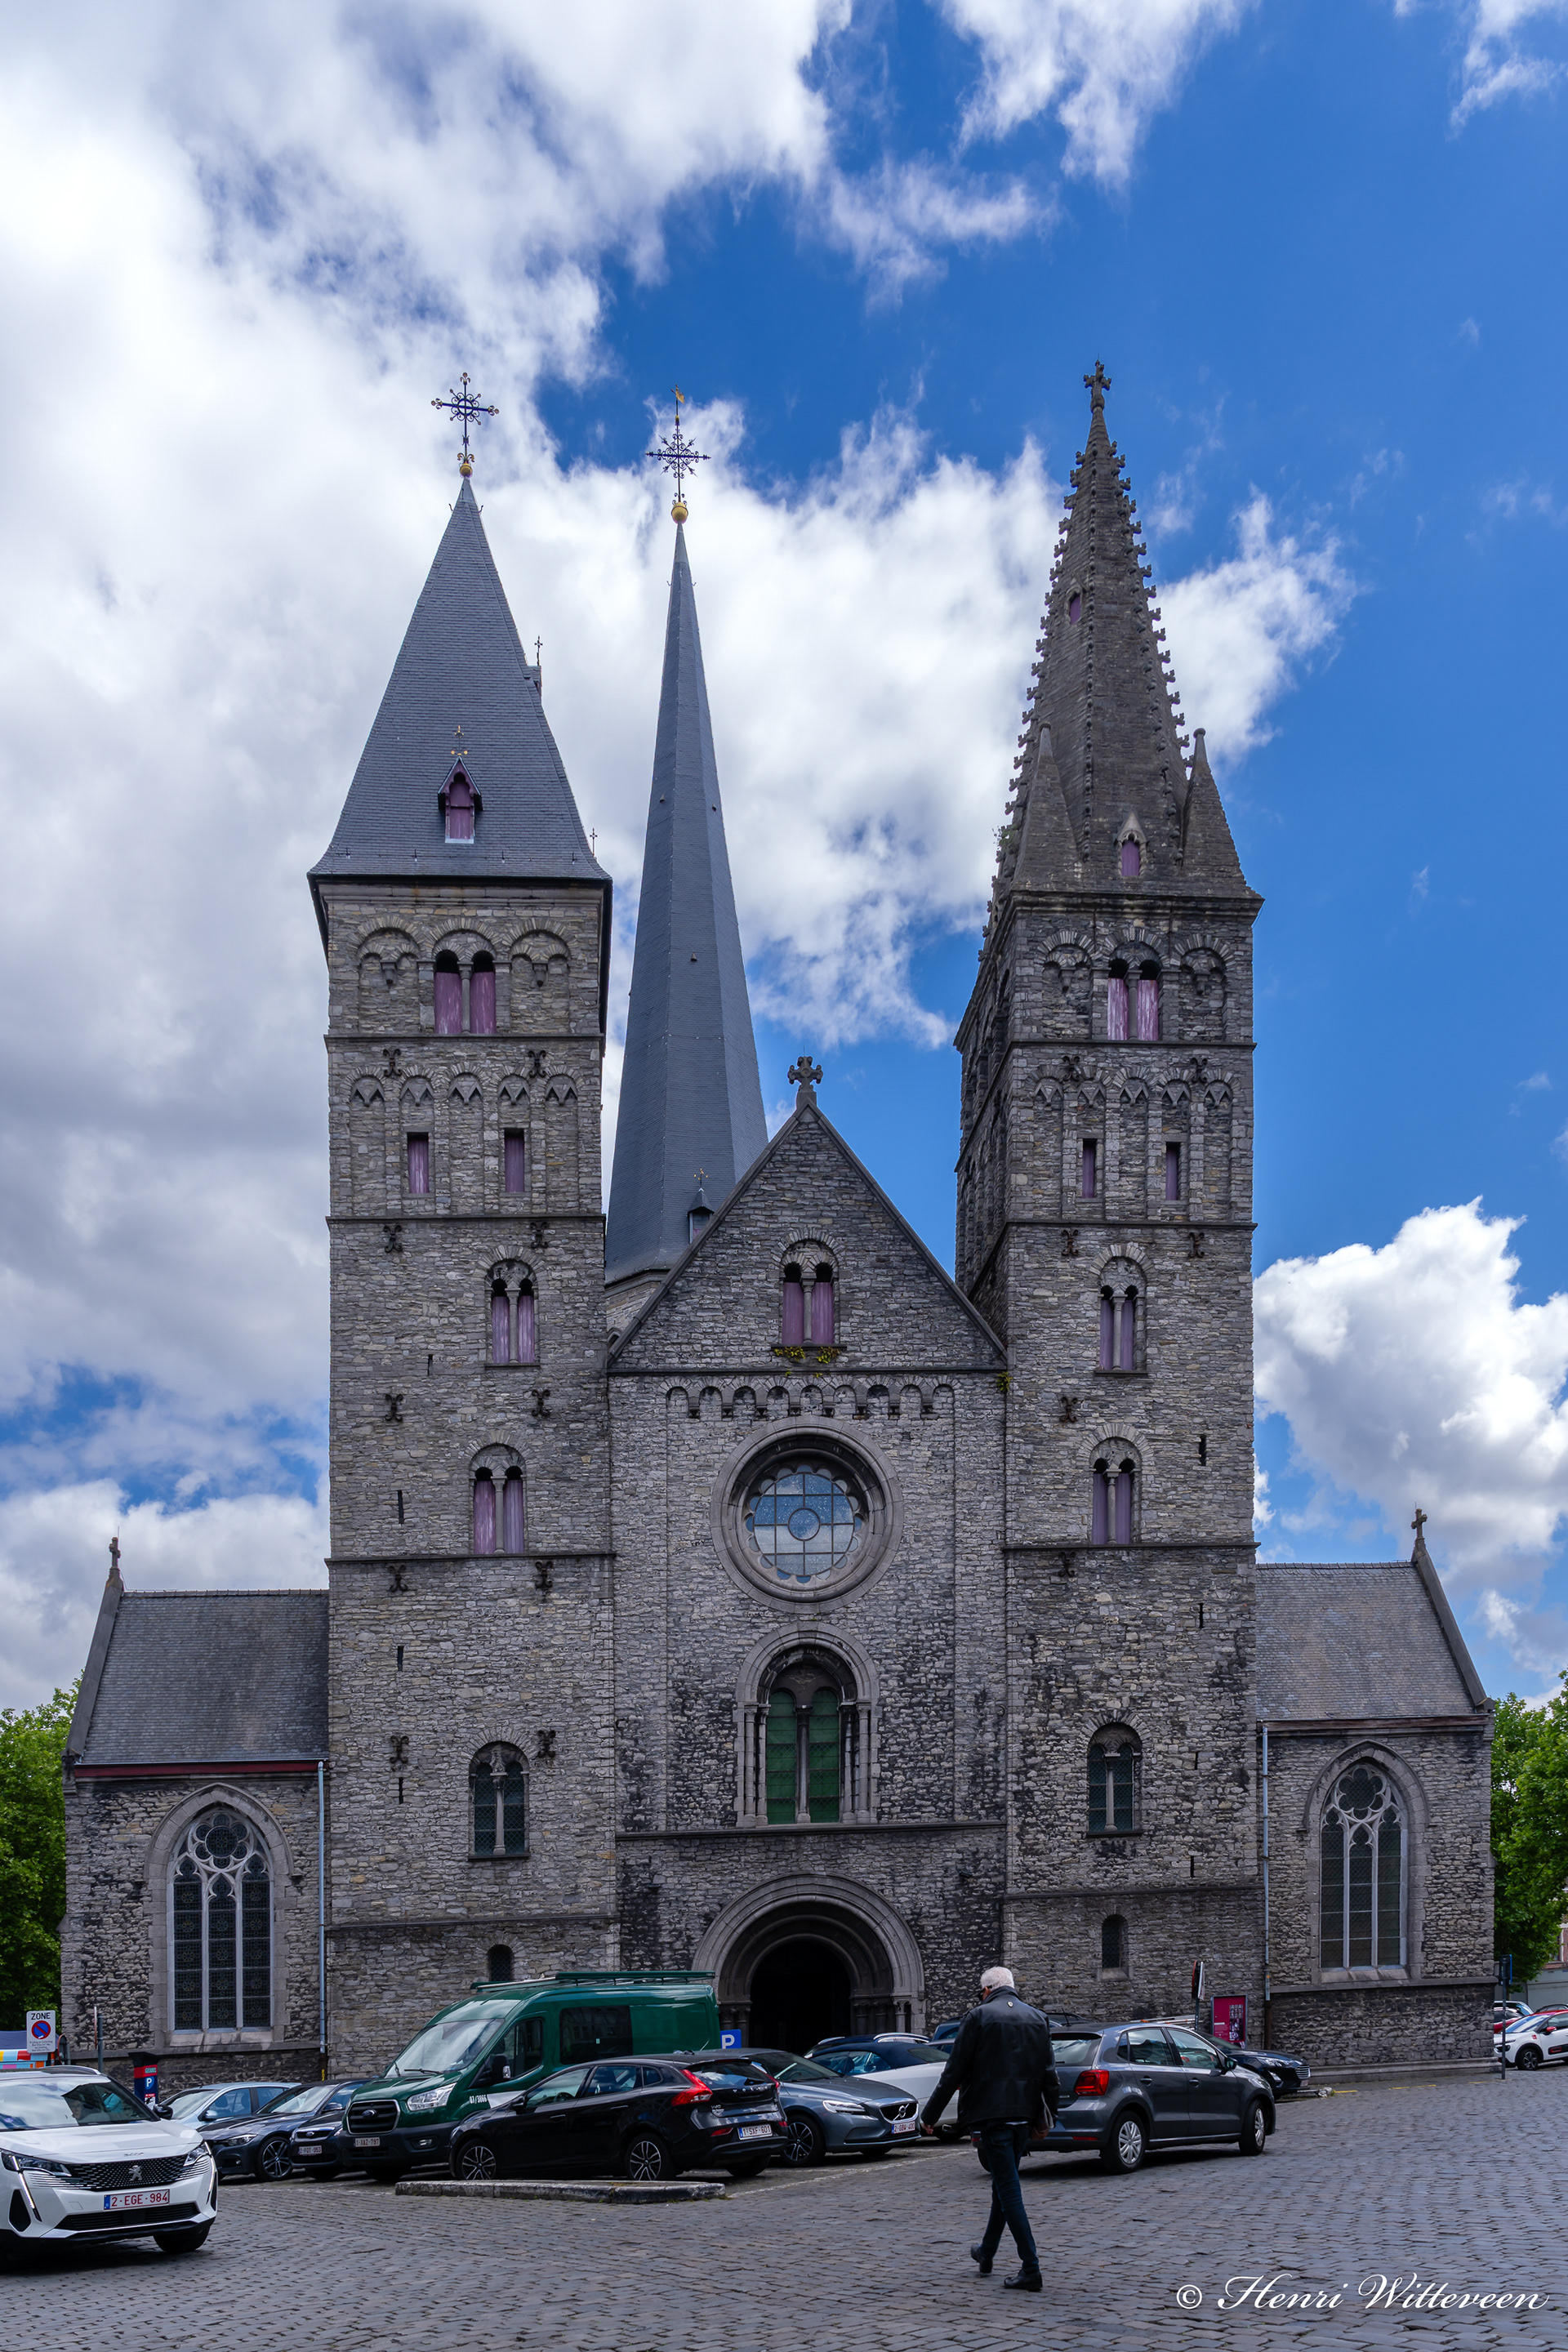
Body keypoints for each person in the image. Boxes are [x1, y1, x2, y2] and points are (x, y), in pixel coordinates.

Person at [920, 1965, 1057, 2292]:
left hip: (992, 2116)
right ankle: (987, 2252)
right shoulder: (1037, 2018)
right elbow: (1050, 2074)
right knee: (1002, 2187)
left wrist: (930, 2116)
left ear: (986, 1990)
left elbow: (953, 2071)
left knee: (1009, 2190)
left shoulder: (978, 2017)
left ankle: (1031, 2267)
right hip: (1023, 2116)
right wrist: (1049, 2118)